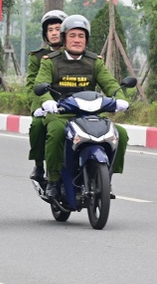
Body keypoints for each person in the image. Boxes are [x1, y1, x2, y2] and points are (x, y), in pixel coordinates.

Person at [33, 14, 130, 199]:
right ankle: (53, 180)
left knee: (121, 134)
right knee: (55, 132)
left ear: (86, 39)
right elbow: (41, 83)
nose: (77, 40)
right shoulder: (50, 61)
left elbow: (110, 84)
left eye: (81, 36)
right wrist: (47, 101)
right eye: (72, 35)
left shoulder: (95, 62)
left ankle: (107, 178)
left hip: (90, 114)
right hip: (61, 113)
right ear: (64, 38)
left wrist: (120, 98)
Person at [27, 10, 67, 184]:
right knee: (37, 126)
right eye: (50, 30)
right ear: (45, 34)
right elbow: (33, 85)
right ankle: (39, 164)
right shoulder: (38, 57)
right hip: (46, 103)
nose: (54, 33)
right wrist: (38, 107)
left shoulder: (75, 54)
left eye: (58, 29)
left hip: (72, 104)